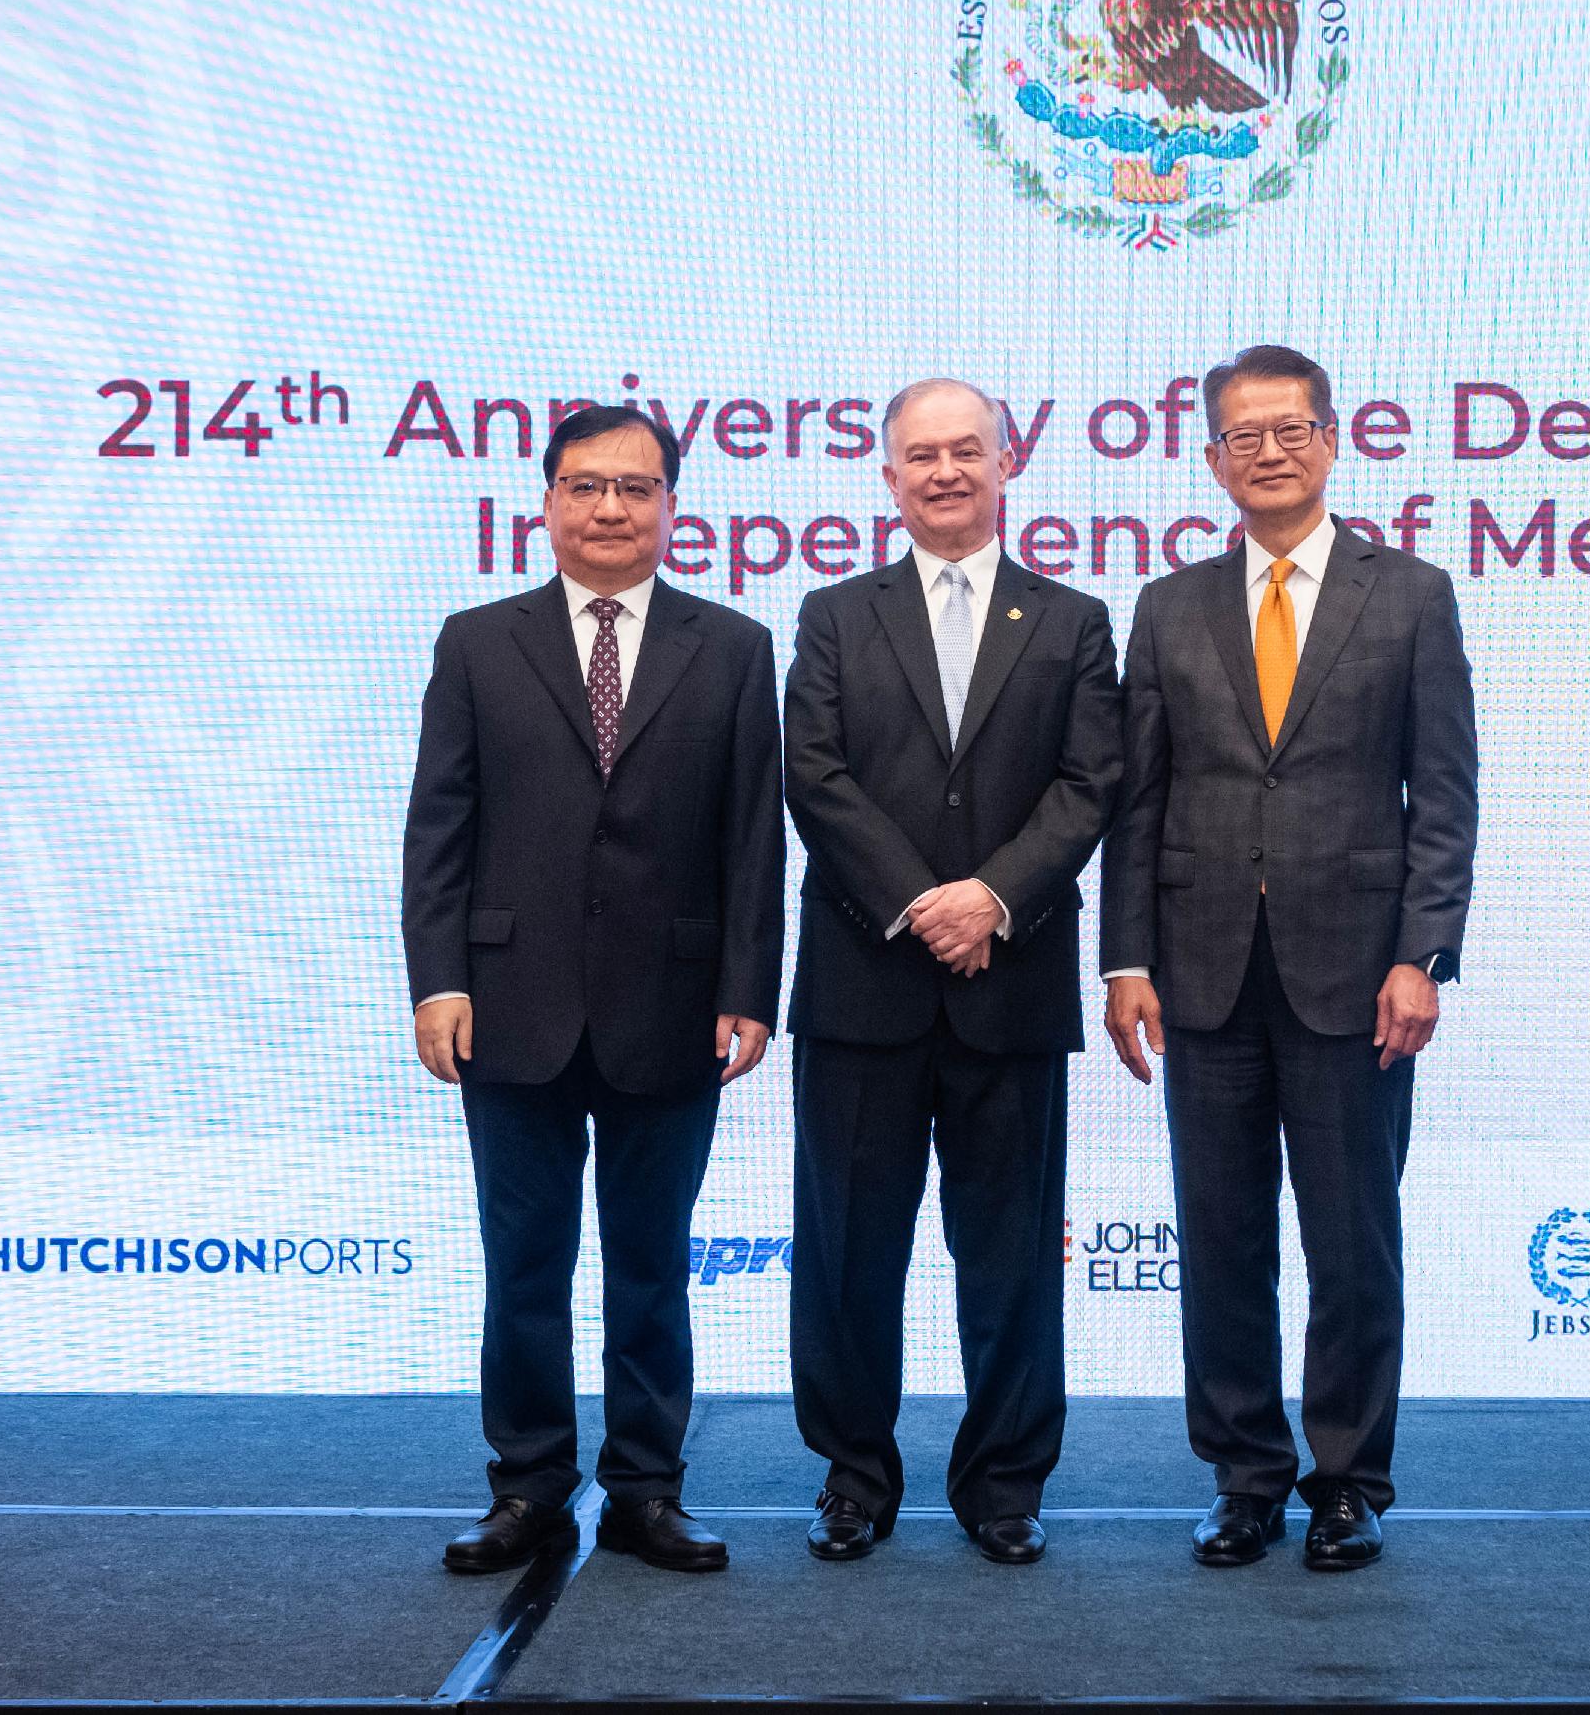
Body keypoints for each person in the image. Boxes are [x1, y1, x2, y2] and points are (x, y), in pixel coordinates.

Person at [1103, 344, 1476, 1574]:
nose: (1266, 450)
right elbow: (1137, 803)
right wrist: (1126, 960)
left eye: (1288, 428)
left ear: (1331, 438)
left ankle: (1347, 1480)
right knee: (1218, 1241)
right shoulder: (1167, 605)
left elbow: (1444, 796)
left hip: (1355, 975)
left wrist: (1424, 952)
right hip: (1203, 972)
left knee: (1351, 1239)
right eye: (1240, 434)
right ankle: (1245, 1475)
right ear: (1212, 458)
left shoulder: (1410, 593)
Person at [404, 404, 783, 1576]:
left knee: (650, 1262)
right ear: (548, 502)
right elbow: (440, 827)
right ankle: (525, 1487)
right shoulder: (477, 641)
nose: (609, 508)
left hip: (671, 1007)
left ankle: (645, 1490)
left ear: (671, 504)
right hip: (508, 1008)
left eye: (634, 486)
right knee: (522, 1266)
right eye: (584, 486)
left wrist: (748, 988)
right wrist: (437, 981)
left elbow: (750, 839)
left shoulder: (729, 646)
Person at [779, 379, 1121, 1566]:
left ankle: (1003, 1485)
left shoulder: (1072, 620)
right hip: (862, 984)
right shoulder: (831, 614)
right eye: (919, 455)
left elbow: (1089, 784)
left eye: (964, 451)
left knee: (1013, 1258)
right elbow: (813, 774)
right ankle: (852, 1476)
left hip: (1009, 984)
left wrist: (995, 898)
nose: (943, 472)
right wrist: (923, 902)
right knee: (845, 1254)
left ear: (1006, 462)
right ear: (887, 477)